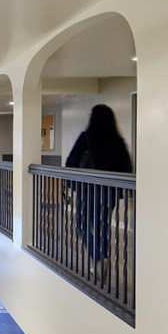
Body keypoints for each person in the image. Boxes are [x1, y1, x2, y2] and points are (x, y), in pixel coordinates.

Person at [64, 104, 134, 267]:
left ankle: (98, 258)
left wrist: (70, 183)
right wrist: (130, 192)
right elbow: (127, 167)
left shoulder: (86, 138)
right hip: (111, 192)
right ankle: (104, 258)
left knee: (82, 224)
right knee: (103, 226)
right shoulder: (118, 141)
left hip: (88, 190)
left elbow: (71, 162)